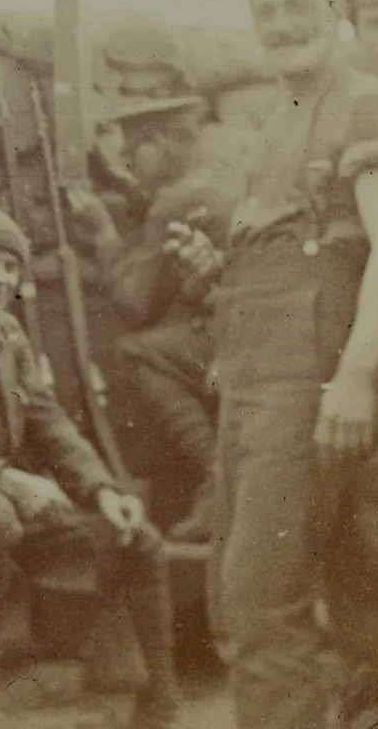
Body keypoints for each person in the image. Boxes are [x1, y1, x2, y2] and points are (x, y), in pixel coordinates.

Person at [170, 0, 378, 729]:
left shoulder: (365, 103)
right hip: (256, 381)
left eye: (299, 7)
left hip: (312, 380)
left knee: (263, 602)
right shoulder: (277, 123)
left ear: (334, 12)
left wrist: (357, 377)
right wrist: (215, 273)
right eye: (266, 12)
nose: (282, 26)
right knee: (257, 591)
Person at [0, 208, 182, 728]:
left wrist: (103, 489)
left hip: (10, 493)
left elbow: (49, 423)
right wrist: (6, 477)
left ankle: (162, 697)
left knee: (137, 535)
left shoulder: (10, 335)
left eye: (9, 269)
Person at [65, 95, 239, 543]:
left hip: (231, 342)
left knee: (138, 352)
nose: (125, 160)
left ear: (163, 144)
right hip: (242, 333)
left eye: (135, 148)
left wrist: (104, 235)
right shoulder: (215, 181)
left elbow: (134, 302)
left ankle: (215, 468)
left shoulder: (178, 199)